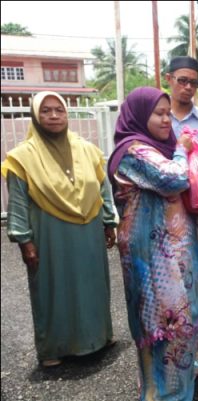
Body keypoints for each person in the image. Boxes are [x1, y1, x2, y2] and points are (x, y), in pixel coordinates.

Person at [107, 87, 198, 401]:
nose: (167, 119)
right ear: (139, 115)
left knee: (186, 309)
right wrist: (182, 149)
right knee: (161, 318)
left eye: (169, 113)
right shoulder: (133, 151)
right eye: (159, 113)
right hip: (150, 254)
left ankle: (180, 373)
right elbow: (174, 179)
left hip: (175, 245)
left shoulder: (159, 147)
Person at [1, 91, 117, 368]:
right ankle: (54, 347)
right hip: (49, 236)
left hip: (88, 232)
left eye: (59, 110)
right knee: (52, 289)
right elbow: (17, 204)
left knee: (93, 286)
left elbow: (102, 189)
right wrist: (24, 241)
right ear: (35, 116)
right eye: (46, 111)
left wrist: (109, 221)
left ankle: (98, 337)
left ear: (67, 114)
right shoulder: (21, 158)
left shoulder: (87, 150)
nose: (53, 116)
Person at [166, 56, 198, 333]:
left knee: (197, 261)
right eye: (182, 80)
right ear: (169, 79)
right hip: (164, 203)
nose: (187, 87)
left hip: (196, 202)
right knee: (167, 263)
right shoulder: (160, 116)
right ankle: (172, 317)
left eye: (193, 83)